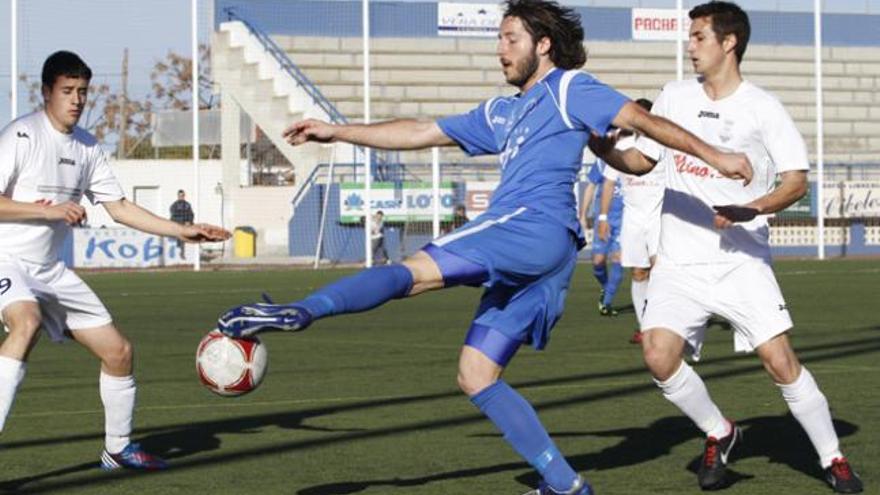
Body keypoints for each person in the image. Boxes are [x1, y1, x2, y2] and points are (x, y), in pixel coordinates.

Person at [217, 1, 751, 493]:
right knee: (476, 375)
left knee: (413, 272)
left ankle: (299, 312)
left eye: (511, 38)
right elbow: (420, 130)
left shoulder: (570, 88)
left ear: (543, 44)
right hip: (549, 257)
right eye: (499, 40)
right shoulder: (501, 112)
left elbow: (643, 121)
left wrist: (717, 157)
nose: (501, 50)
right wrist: (338, 131)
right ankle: (566, 484)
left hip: (527, 227)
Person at [588, 3, 863, 492]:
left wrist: (752, 208)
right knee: (656, 354)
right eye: (689, 38)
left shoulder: (763, 107)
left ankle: (832, 456)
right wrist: (602, 148)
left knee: (780, 361)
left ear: (728, 42)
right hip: (679, 261)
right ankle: (720, 431)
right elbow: (640, 162)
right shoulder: (672, 97)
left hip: (740, 259)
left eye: (698, 37)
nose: (689, 46)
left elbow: (795, 181)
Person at [0, 51, 230, 471]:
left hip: (50, 270)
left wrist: (183, 230)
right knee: (26, 322)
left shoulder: (87, 147)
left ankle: (118, 450)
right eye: (67, 91)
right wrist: (49, 210)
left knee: (119, 351)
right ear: (46, 91)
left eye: (83, 92)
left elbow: (120, 208)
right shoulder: (20, 136)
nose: (76, 100)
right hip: (6, 261)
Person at [597, 98, 663, 342]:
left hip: (659, 215)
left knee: (661, 271)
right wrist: (603, 217)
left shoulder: (663, 145)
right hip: (633, 217)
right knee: (638, 272)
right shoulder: (622, 146)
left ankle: (663, 324)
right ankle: (645, 327)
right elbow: (609, 183)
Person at [577, 158, 624, 317]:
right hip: (603, 218)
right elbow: (591, 186)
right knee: (598, 261)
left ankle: (606, 303)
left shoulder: (633, 157)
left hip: (625, 218)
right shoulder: (603, 161)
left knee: (618, 258)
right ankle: (606, 286)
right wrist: (583, 214)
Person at [169, 189, 195, 259]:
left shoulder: (187, 205)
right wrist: (181, 221)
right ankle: (179, 252)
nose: (182, 197)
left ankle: (182, 253)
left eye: (183, 195)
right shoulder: (174, 205)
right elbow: (173, 216)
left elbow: (191, 214)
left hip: (185, 225)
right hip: (177, 225)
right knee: (179, 237)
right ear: (178, 196)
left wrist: (189, 221)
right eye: (180, 196)